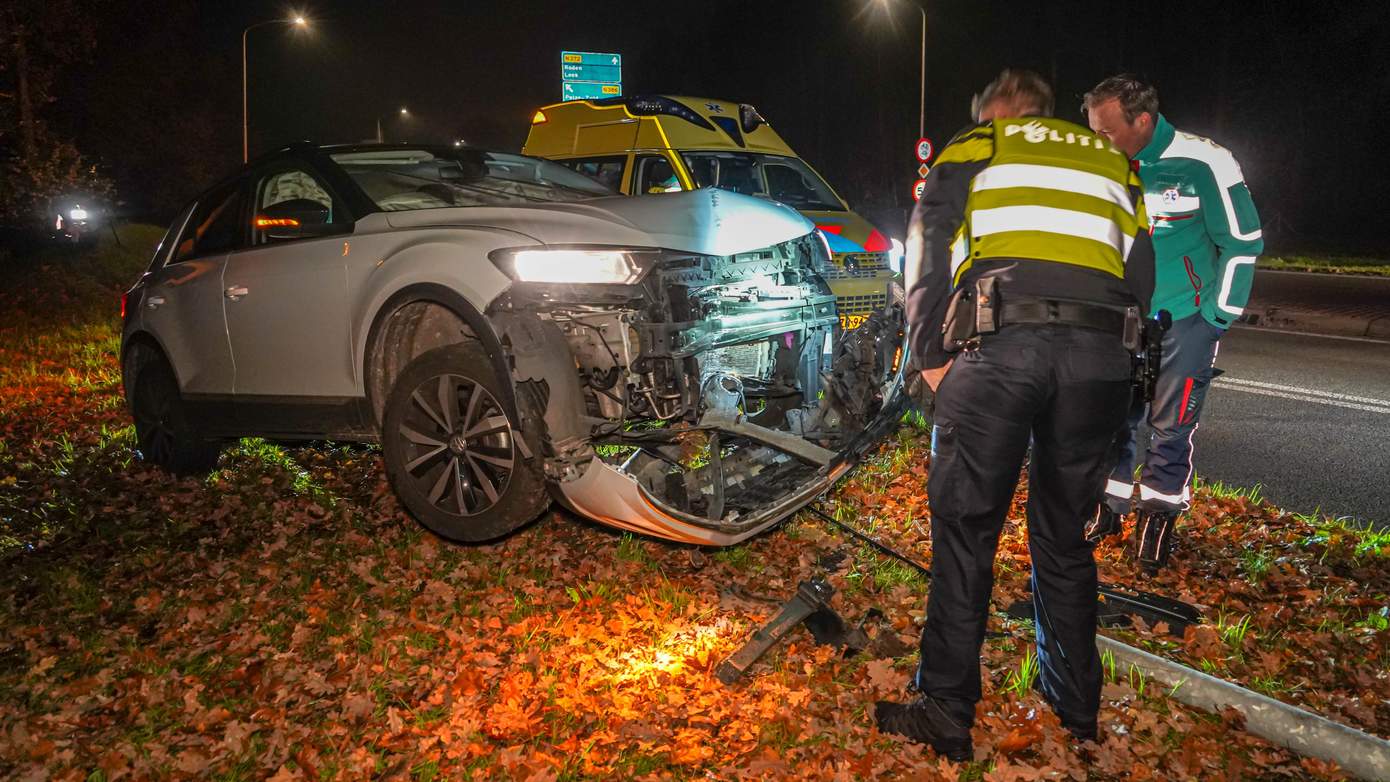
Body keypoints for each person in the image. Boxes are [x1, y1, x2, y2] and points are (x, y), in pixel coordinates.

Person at [875, 69, 1155, 759]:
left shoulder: (975, 148)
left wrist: (930, 357)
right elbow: (1141, 274)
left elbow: (928, 255)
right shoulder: (1113, 160)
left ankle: (947, 711)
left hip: (1002, 347)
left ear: (995, 111)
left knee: (967, 531)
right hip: (1100, 360)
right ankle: (1075, 709)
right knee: (1064, 539)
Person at [1081, 76, 1263, 574]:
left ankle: (1158, 515)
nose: (1097, 141)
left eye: (1106, 131)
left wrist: (1216, 318)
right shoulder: (1102, 164)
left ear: (1142, 121)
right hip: (1118, 316)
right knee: (1114, 417)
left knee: (1171, 424)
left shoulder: (1206, 161)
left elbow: (1244, 243)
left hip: (1185, 317)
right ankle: (1109, 505)